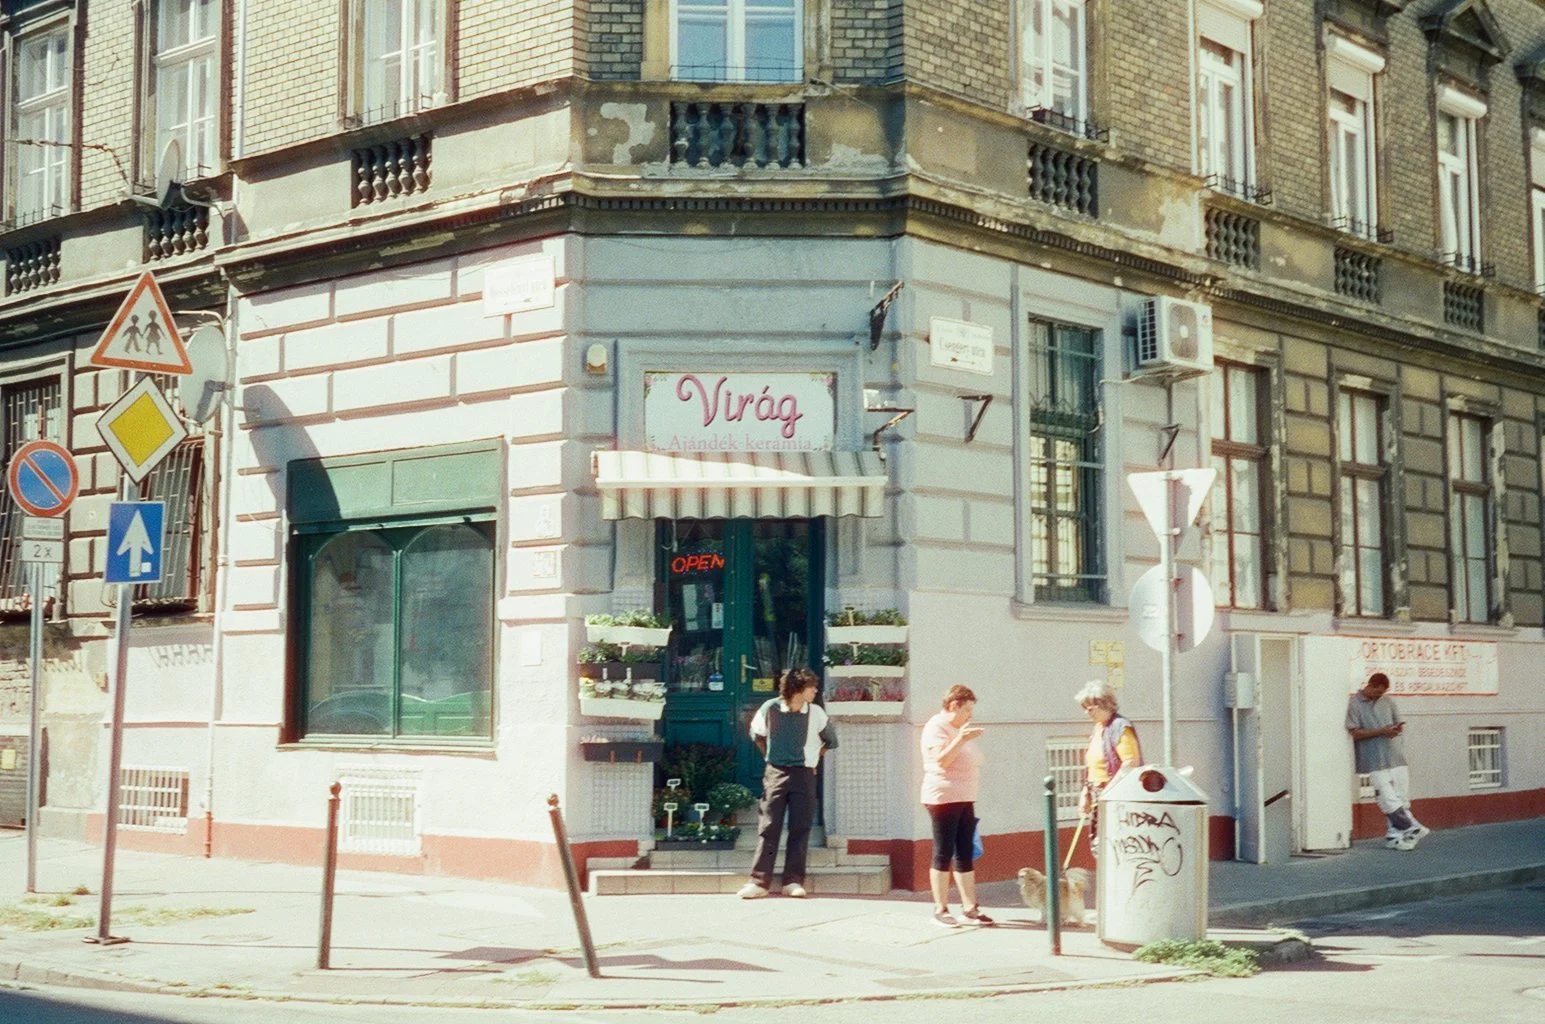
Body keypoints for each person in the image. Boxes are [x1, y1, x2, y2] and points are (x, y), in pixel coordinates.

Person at [737, 668, 837, 899]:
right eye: (811, 687)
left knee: (800, 827)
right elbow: (757, 735)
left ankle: (793, 881)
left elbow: (830, 740)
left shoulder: (816, 712)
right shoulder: (770, 708)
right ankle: (759, 882)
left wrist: (814, 759)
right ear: (798, 689)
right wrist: (768, 757)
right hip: (776, 772)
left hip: (804, 774)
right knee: (769, 826)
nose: (815, 691)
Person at [920, 684, 994, 927]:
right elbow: (942, 760)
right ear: (953, 706)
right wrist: (962, 738)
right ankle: (940, 909)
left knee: (964, 850)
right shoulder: (936, 727)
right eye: (967, 710)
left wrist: (963, 737)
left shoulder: (957, 728)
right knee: (943, 852)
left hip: (964, 797)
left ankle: (970, 908)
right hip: (943, 798)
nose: (969, 716)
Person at [1346, 672, 1430, 851]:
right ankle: (1411, 827)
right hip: (1374, 758)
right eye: (1377, 692)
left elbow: (1397, 724)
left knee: (1402, 799)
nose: (1379, 696)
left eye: (1382, 693)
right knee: (1386, 797)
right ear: (1369, 685)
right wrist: (1380, 731)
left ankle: (1395, 837)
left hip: (1395, 755)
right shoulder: (1355, 704)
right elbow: (1355, 733)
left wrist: (1394, 730)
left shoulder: (1388, 702)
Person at [1075, 679, 1141, 858]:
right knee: (1100, 846)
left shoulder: (1120, 727)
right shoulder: (1099, 728)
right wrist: (1085, 793)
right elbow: (1093, 765)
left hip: (1116, 797)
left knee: (1113, 847)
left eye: (1090, 708)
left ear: (1104, 704)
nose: (1086, 713)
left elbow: (1130, 763)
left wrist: (1109, 792)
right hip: (1098, 793)